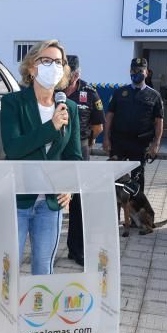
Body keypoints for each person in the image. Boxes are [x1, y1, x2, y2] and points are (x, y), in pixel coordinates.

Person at [0, 40, 82, 333]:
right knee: (6, 270)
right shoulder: (14, 103)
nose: (54, 66)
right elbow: (14, 147)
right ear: (32, 66)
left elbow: (74, 156)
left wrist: (69, 187)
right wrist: (50, 127)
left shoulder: (70, 109)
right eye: (46, 60)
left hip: (49, 204)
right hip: (18, 200)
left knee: (43, 272)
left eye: (59, 61)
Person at [63, 54, 104, 266]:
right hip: (54, 150)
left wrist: (88, 142)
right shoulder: (52, 90)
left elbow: (98, 126)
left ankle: (76, 249)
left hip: (80, 149)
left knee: (78, 201)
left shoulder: (90, 92)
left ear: (77, 74)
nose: (65, 77)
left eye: (69, 74)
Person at [102, 57, 163, 194]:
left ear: (147, 73)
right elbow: (109, 116)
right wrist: (106, 138)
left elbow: (159, 121)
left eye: (141, 70)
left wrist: (156, 144)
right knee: (116, 178)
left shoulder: (154, 95)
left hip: (140, 144)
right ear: (130, 71)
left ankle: (136, 206)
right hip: (119, 142)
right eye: (134, 70)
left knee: (137, 179)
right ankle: (116, 206)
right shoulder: (119, 92)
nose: (137, 73)